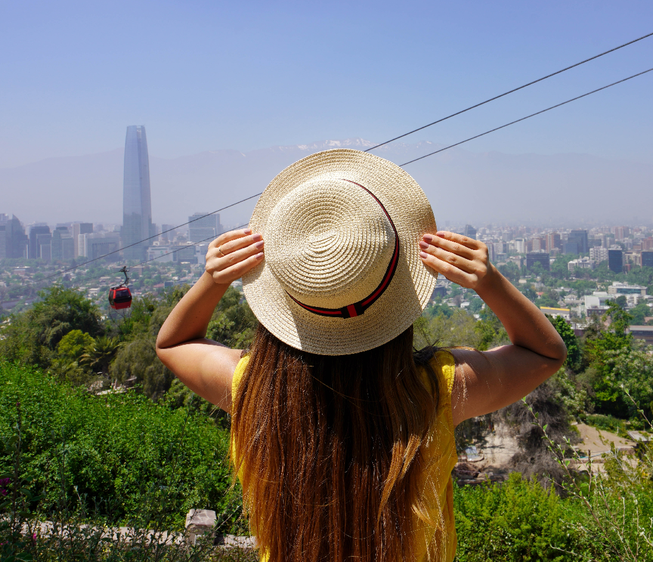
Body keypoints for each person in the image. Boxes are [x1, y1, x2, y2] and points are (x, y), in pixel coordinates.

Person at [155, 149, 565, 562]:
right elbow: (544, 352)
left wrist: (212, 279)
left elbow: (172, 344)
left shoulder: (255, 389)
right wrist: (489, 282)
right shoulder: (437, 391)